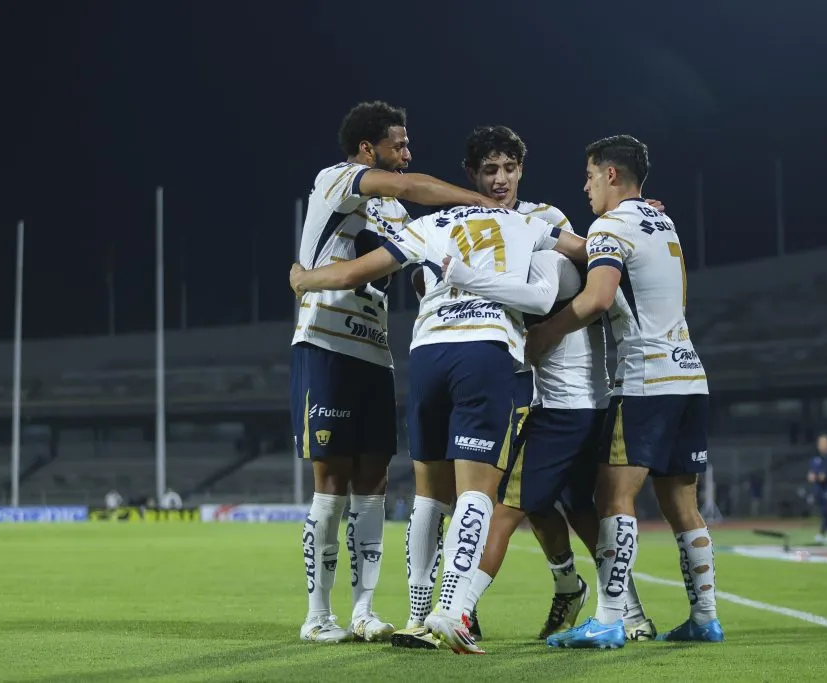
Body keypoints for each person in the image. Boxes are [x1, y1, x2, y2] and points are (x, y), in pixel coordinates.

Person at [290, 203, 588, 654]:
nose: (500, 179)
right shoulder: (529, 222)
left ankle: (416, 616)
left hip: (428, 349)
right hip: (487, 347)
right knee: (478, 492)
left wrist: (303, 279)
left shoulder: (431, 223)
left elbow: (359, 271)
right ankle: (449, 610)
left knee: (429, 494)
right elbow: (585, 258)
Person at [413, 126, 654, 644]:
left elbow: (588, 263)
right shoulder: (465, 224)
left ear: (521, 170)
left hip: (557, 390)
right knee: (554, 504)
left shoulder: (541, 220)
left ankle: (460, 609)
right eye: (489, 171)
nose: (500, 179)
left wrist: (633, 223)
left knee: (504, 500)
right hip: (524, 378)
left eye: (508, 169)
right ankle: (595, 596)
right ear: (472, 176)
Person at [293, 100, 501, 644]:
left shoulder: (393, 215)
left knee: (374, 483)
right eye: (399, 145)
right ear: (369, 150)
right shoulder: (338, 179)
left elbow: (421, 262)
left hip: (375, 351)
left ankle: (363, 610)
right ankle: (318, 615)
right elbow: (414, 188)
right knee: (331, 481)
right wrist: (479, 198)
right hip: (326, 341)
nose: (407, 154)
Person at [525, 134, 723, 649]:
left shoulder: (610, 225)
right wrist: (549, 236)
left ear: (611, 175)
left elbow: (599, 295)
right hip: (688, 374)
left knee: (612, 496)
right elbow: (604, 255)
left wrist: (545, 334)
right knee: (684, 505)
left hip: (643, 380)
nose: (585, 186)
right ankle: (705, 617)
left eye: (590, 176)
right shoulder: (662, 221)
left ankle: (611, 618)